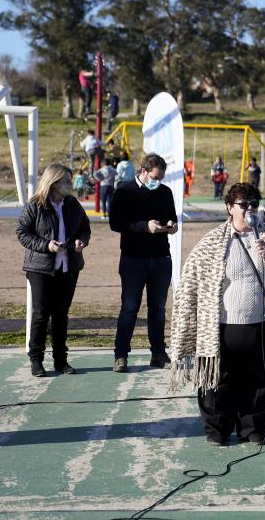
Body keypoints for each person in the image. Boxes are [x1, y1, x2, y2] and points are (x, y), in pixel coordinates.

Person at [168, 183, 265, 446]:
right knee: (219, 382)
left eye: (254, 204)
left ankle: (251, 428)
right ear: (230, 208)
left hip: (263, 325)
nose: (250, 209)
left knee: (259, 382)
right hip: (222, 326)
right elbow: (190, 282)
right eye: (243, 204)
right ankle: (217, 429)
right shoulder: (212, 242)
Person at [16, 163, 90, 377]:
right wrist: (46, 245)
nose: (71, 183)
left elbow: (85, 227)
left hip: (68, 268)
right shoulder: (35, 205)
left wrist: (81, 241)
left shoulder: (73, 204)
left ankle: (61, 360)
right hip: (41, 269)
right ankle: (36, 360)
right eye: (67, 180)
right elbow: (22, 232)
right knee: (41, 314)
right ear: (54, 182)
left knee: (61, 315)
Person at [109, 154, 179, 372]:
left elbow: (171, 216)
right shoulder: (124, 191)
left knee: (158, 308)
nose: (158, 181)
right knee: (129, 307)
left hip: (160, 258)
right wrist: (144, 226)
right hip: (133, 258)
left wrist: (171, 224)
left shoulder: (165, 192)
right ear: (143, 171)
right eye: (155, 177)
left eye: (161, 177)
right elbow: (116, 223)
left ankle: (158, 353)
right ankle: (121, 355)